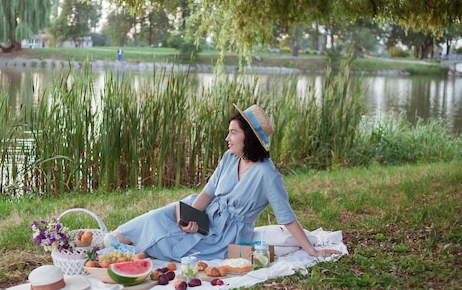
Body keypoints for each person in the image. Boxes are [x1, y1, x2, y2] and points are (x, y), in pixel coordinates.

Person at [113, 103, 343, 261]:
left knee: (169, 244)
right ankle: (113, 242)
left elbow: (287, 217)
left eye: (233, 132)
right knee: (156, 218)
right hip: (204, 215)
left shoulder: (267, 175)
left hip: (227, 235)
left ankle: (123, 251)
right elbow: (208, 192)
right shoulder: (229, 157)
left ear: (249, 137)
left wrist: (311, 250)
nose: (227, 138)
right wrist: (189, 217)